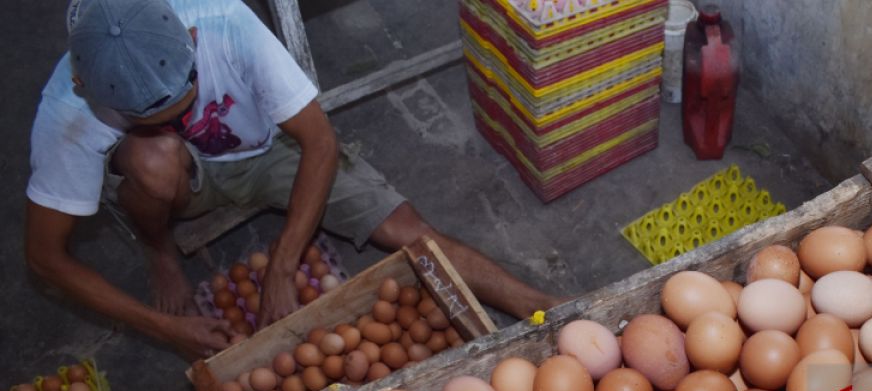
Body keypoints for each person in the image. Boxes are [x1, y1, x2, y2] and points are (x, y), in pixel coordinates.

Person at [25, 0, 560, 360]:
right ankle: (160, 250)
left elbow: (319, 142)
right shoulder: (70, 105)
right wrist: (160, 327)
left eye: (185, 94)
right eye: (149, 114)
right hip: (180, 176)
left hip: (272, 145)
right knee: (152, 159)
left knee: (406, 229)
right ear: (84, 86)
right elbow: (46, 258)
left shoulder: (223, 20)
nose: (176, 113)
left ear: (189, 37)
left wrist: (283, 262)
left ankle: (548, 308)